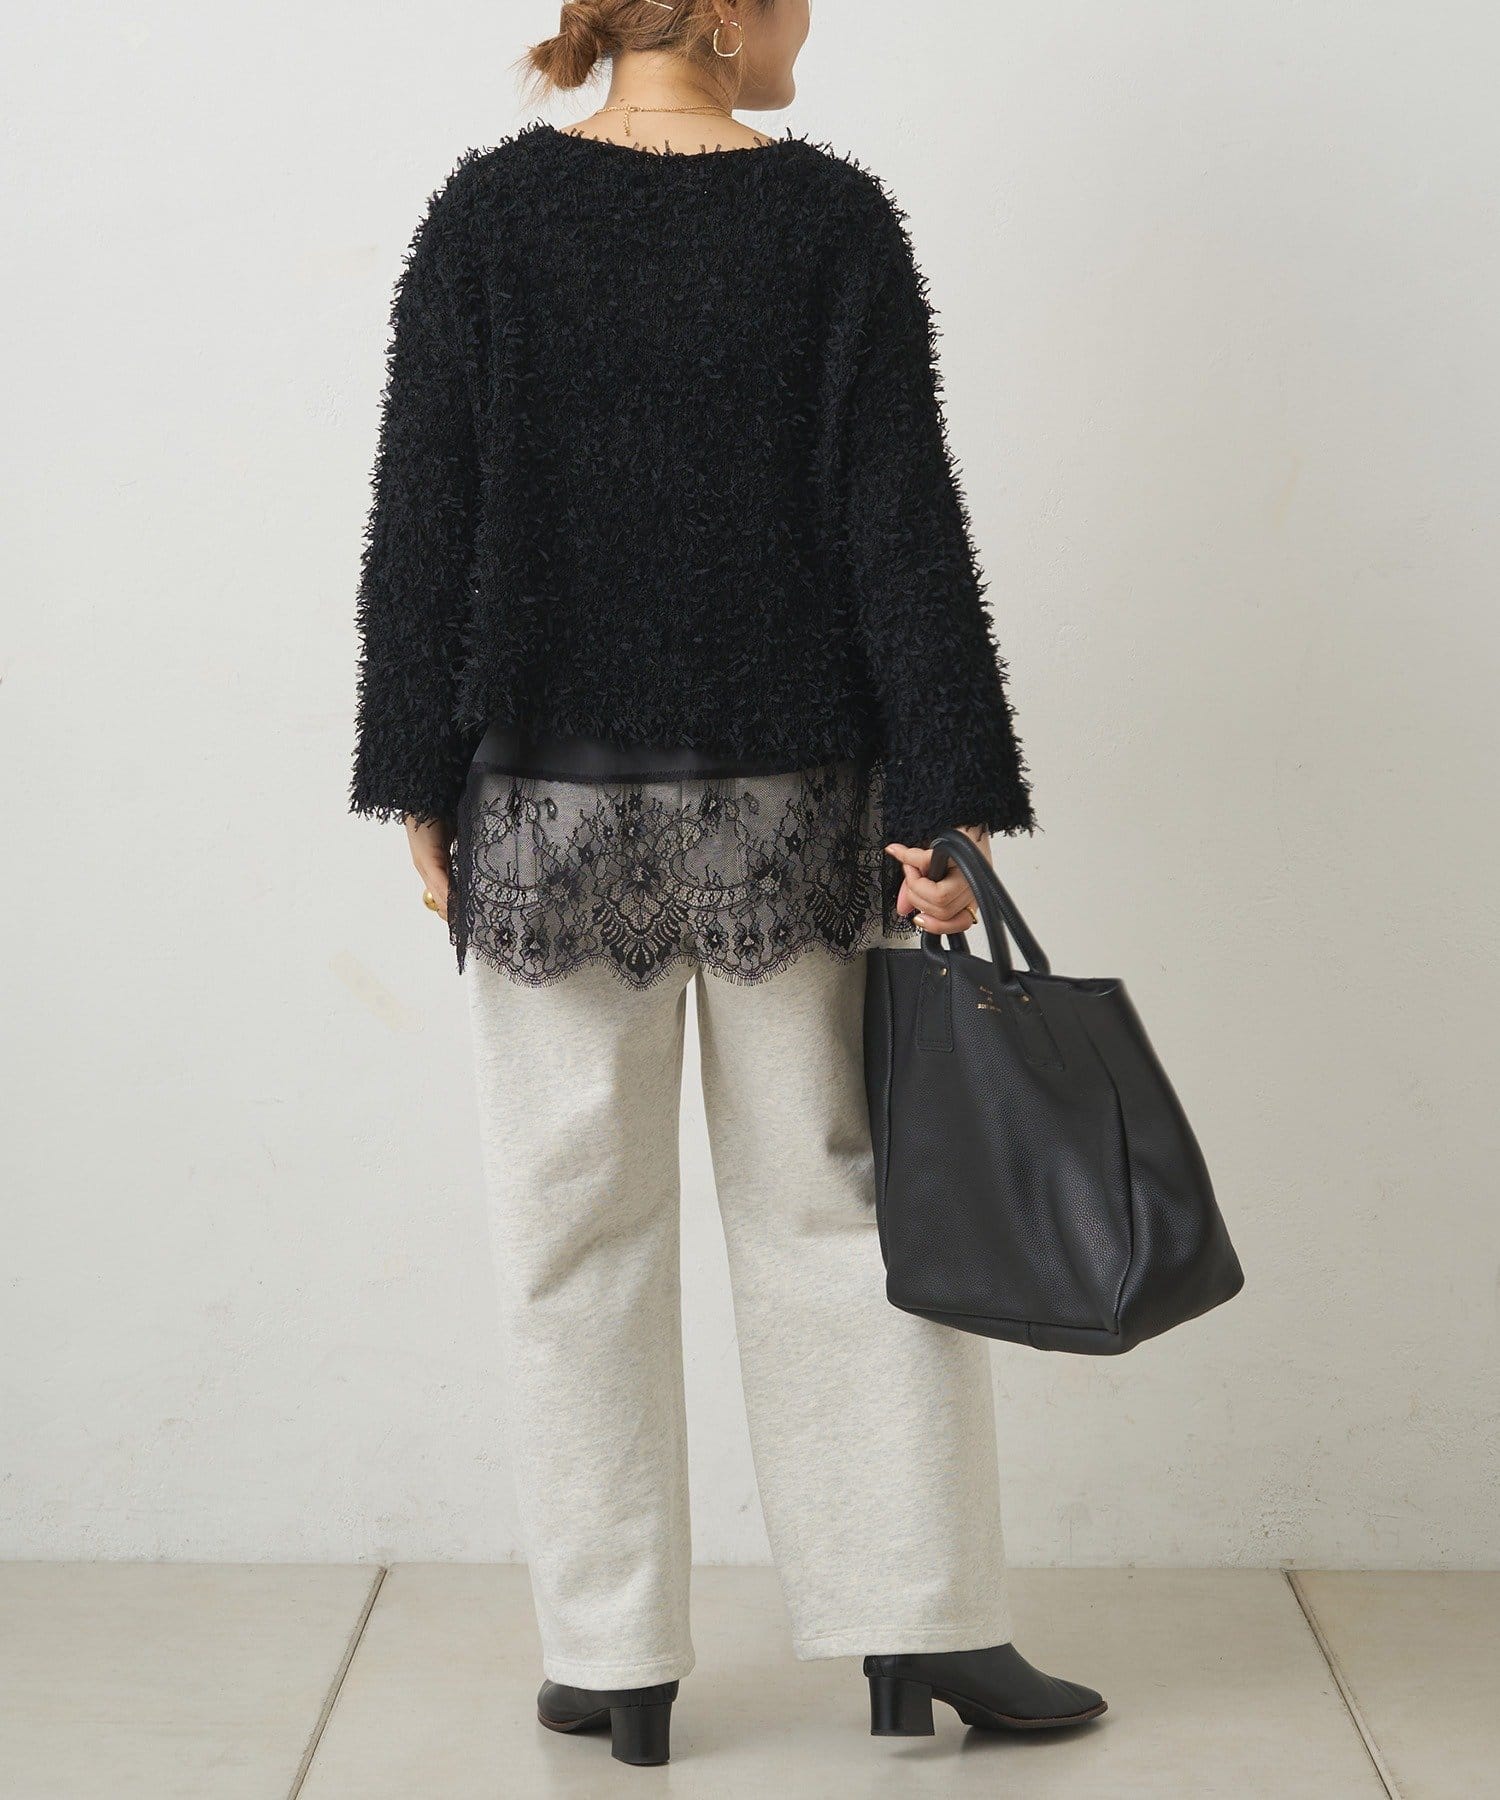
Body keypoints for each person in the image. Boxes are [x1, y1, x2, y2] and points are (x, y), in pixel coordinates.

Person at [350, 0, 1106, 1770]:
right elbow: (899, 525)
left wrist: (413, 773)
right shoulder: (828, 220)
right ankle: (920, 1619)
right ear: (725, 7)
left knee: (570, 1235)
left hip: (549, 808)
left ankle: (612, 1657)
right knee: (839, 1213)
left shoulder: (489, 216)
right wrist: (945, 800)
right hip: (797, 812)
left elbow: (421, 511)